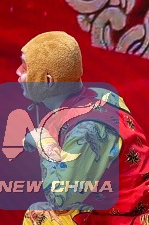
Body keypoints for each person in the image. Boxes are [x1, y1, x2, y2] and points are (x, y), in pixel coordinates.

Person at [18, 31, 149, 224]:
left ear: (48, 82)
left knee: (38, 216)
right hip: (122, 201)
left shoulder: (88, 129)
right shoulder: (102, 95)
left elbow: (60, 200)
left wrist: (42, 142)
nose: (18, 72)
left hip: (129, 215)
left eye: (24, 68)